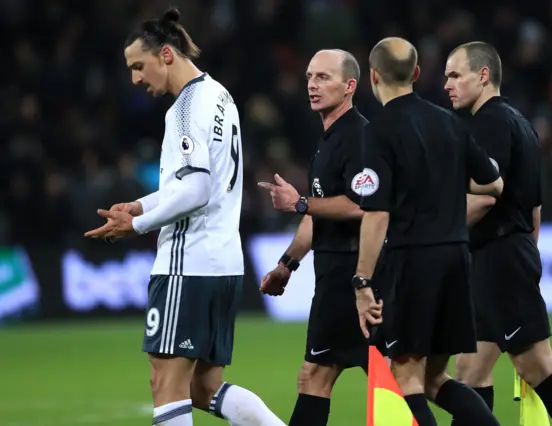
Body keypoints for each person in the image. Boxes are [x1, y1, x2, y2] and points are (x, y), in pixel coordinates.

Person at [84, 8, 285, 426]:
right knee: (204, 388)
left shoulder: (184, 109)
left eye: (139, 66)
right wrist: (141, 206)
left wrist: (136, 226)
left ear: (167, 55)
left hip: (186, 265)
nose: (136, 78)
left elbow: (196, 189)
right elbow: (190, 183)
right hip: (224, 262)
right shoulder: (219, 95)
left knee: (166, 384)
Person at [352, 37, 504, 426]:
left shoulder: (379, 130)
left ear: (373, 76)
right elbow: (491, 181)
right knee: (435, 377)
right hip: (456, 258)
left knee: (406, 378)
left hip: (413, 261)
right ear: (417, 74)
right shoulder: (449, 121)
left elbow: (376, 213)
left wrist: (363, 281)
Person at [444, 41, 552, 426]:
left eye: (455, 74)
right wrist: (528, 256)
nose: (447, 84)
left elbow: (484, 198)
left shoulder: (488, 122)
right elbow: (535, 209)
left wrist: (433, 231)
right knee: (469, 371)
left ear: (484, 75)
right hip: (503, 257)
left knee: (535, 365)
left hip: (500, 257)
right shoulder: (520, 123)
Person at [258, 49, 371, 426]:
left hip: (357, 280)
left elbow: (361, 205)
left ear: (350, 86)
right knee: (398, 381)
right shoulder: (327, 140)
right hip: (338, 278)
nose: (312, 84)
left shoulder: (357, 137)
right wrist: (287, 265)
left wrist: (301, 202)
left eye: (323, 77)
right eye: (309, 77)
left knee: (319, 377)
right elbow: (316, 215)